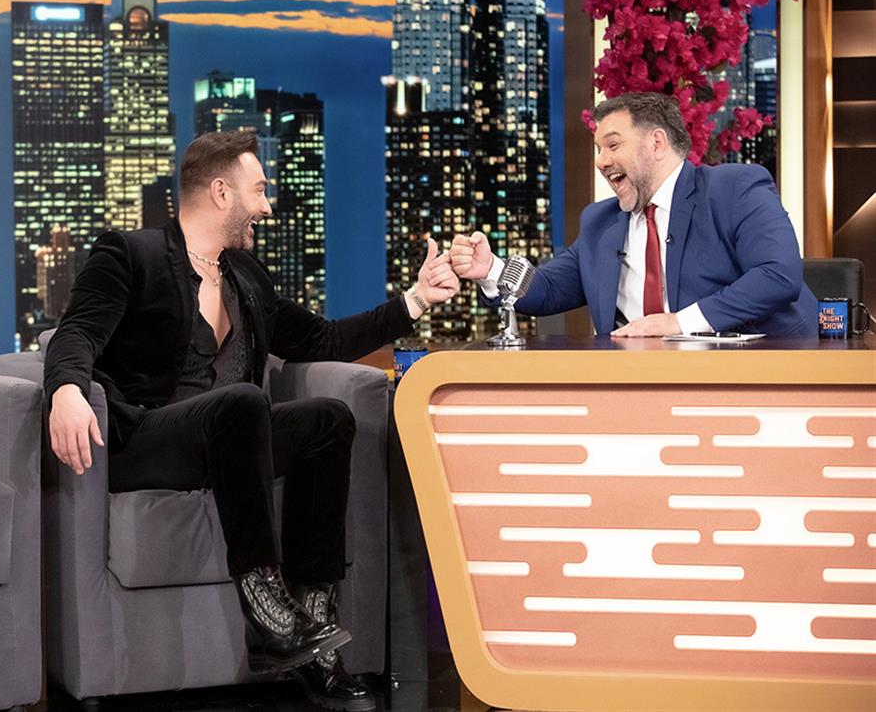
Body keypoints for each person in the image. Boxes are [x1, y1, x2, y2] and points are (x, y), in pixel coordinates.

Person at [44, 130, 459, 711]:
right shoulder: (130, 254)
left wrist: (413, 300)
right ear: (221, 192)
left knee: (327, 419)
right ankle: (269, 616)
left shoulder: (245, 275)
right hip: (147, 439)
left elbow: (321, 339)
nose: (267, 206)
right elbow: (77, 333)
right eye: (259, 190)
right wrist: (66, 388)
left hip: (232, 439)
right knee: (241, 402)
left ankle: (314, 638)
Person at [449, 92, 817, 337]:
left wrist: (678, 323)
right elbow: (547, 290)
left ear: (656, 143)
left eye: (612, 145)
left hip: (761, 381)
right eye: (598, 149)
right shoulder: (600, 223)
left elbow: (778, 275)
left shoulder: (733, 188)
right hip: (640, 391)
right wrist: (491, 270)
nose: (601, 161)